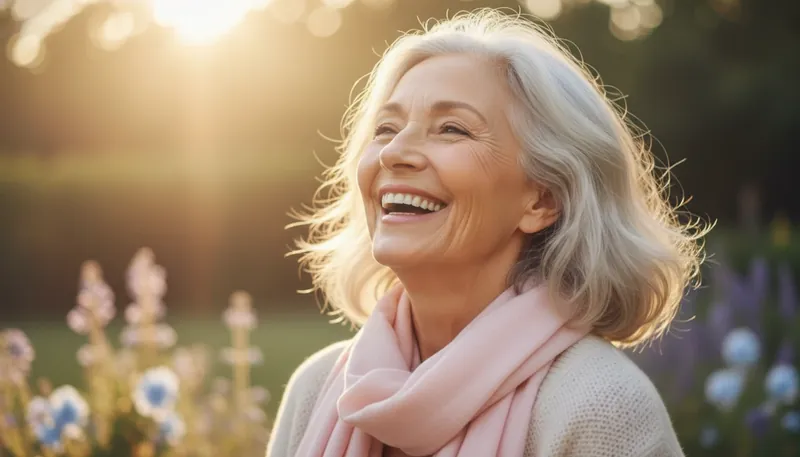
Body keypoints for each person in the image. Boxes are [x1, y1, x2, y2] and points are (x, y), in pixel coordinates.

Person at [267, 8, 707, 457]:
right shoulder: (318, 387)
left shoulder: (601, 407)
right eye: (386, 128)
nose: (394, 152)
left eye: (451, 129)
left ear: (542, 201)